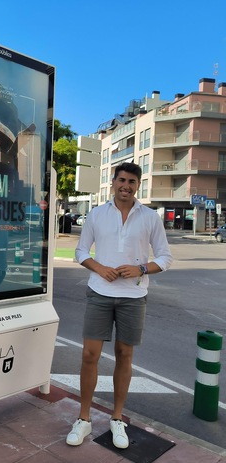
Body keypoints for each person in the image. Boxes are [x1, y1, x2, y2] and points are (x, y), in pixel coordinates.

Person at [67, 162, 173, 449]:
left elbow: (165, 257)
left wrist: (141, 268)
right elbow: (80, 251)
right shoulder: (97, 214)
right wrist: (99, 268)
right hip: (99, 292)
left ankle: (117, 419)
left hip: (133, 297)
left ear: (138, 185)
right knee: (89, 354)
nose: (126, 186)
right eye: (122, 180)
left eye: (132, 182)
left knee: (124, 355)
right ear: (113, 182)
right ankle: (84, 418)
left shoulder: (150, 217)